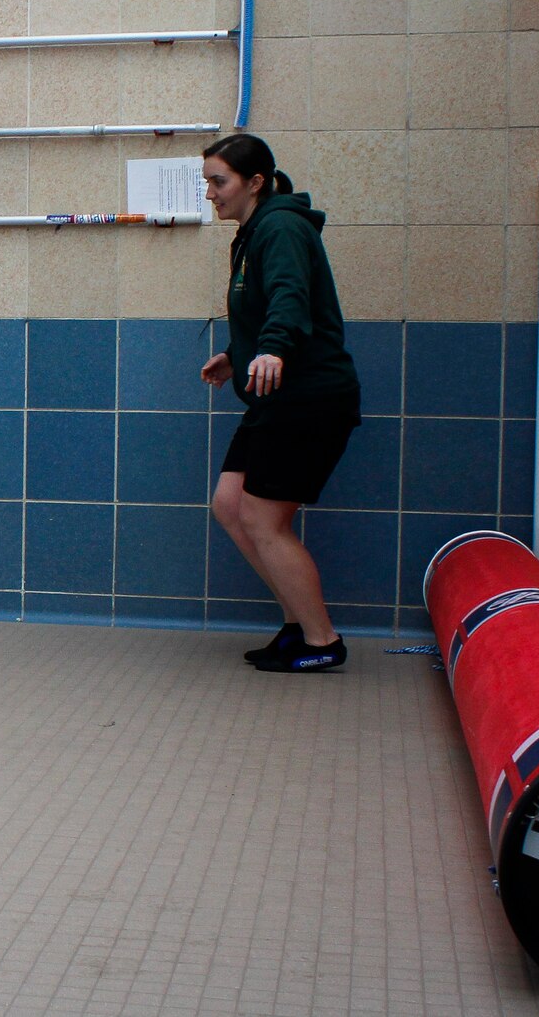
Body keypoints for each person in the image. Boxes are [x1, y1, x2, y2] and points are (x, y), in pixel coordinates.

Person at [198, 133, 361, 674]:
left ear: (255, 183)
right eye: (208, 183)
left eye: (219, 182)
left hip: (308, 398)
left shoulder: (282, 227)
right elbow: (268, 303)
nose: (211, 194)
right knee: (230, 503)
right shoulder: (253, 233)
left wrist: (271, 348)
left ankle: (321, 641)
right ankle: (298, 624)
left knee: (264, 519)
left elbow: (291, 294)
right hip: (277, 395)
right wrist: (236, 353)